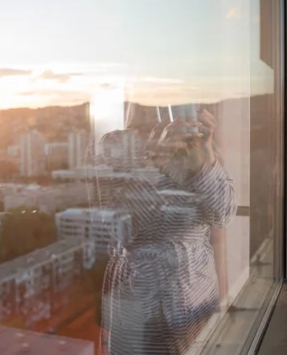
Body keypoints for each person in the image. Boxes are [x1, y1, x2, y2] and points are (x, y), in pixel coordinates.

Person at [97, 103, 236, 355]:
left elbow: (222, 215)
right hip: (139, 297)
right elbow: (119, 230)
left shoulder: (200, 141)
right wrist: (154, 159)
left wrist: (204, 158)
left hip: (196, 293)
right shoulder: (114, 145)